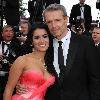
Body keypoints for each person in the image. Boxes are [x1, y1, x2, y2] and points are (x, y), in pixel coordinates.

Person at [16, 4, 100, 100]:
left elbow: (96, 79)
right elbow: (30, 66)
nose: (53, 26)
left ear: (66, 19)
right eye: (49, 22)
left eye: (57, 20)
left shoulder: (85, 42)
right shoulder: (45, 45)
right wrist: (20, 83)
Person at [3, 23, 55, 100]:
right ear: (31, 42)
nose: (42, 41)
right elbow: (8, 90)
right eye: (37, 38)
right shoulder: (22, 60)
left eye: (45, 36)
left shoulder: (53, 61)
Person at [0, 25, 21, 100]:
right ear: (2, 34)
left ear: (13, 34)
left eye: (11, 31)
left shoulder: (18, 47)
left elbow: (21, 62)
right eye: (6, 31)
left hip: (11, 78)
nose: (8, 33)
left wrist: (15, 65)